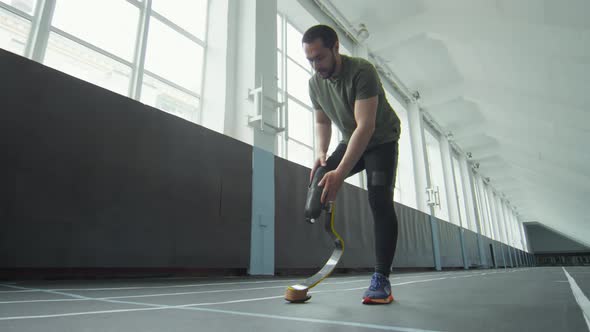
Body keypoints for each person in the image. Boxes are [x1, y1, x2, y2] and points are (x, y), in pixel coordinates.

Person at [302, 25, 401, 304]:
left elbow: (366, 126)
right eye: (310, 59)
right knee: (320, 177)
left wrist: (340, 174)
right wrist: (322, 154)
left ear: (335, 48)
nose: (315, 65)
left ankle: (381, 278)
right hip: (351, 138)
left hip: (379, 139)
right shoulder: (314, 84)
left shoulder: (362, 71)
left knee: (379, 202)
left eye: (319, 57)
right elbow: (322, 121)